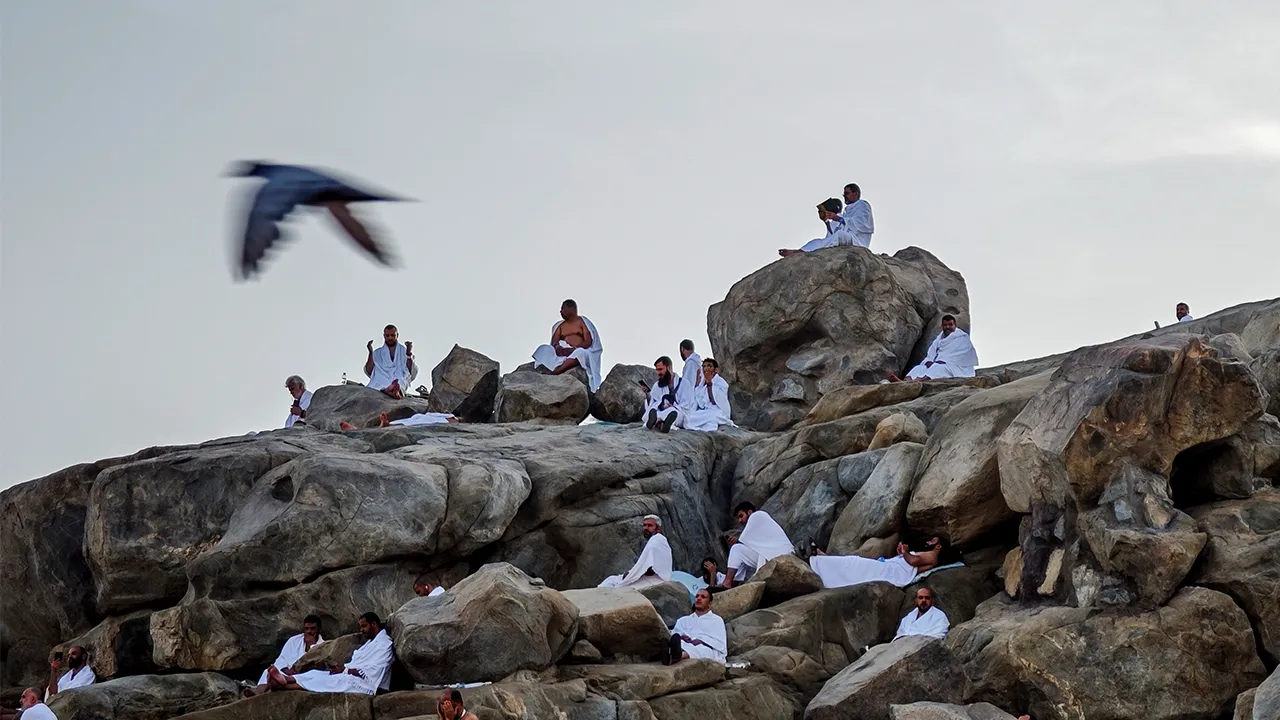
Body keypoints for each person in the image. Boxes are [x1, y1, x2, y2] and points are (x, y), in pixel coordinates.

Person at [265, 612, 393, 695]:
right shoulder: (371, 643)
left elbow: (374, 671)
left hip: (369, 686)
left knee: (330, 681)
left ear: (374, 624)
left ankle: (281, 686)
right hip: (354, 678)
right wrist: (342, 669)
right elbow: (358, 664)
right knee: (316, 673)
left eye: (364, 626)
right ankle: (285, 679)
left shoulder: (384, 644)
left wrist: (345, 671)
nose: (362, 630)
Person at [809, 538, 945, 589]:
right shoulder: (928, 554)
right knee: (853, 562)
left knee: (854, 564)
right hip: (890, 567)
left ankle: (820, 562)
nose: (930, 541)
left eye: (934, 540)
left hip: (891, 573)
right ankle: (821, 559)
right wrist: (901, 554)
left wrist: (905, 552)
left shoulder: (933, 555)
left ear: (939, 546)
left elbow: (913, 561)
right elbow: (910, 564)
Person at [532, 299, 605, 392]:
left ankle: (556, 372)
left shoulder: (582, 321)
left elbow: (588, 341)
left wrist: (573, 349)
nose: (560, 311)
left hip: (578, 351)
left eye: (563, 308)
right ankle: (555, 365)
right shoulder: (559, 326)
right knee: (544, 348)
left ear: (572, 308)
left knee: (580, 352)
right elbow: (555, 341)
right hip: (562, 353)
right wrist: (558, 347)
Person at [245, 615, 325, 697]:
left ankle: (276, 685)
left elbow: (317, 667)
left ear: (319, 629)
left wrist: (311, 645)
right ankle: (258, 692)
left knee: (313, 678)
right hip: (286, 673)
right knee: (267, 672)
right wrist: (286, 670)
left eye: (312, 628)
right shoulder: (294, 641)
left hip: (303, 676)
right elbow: (282, 659)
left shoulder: (323, 646)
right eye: (306, 628)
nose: (309, 631)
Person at [723, 502, 794, 588]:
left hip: (778, 555)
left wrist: (738, 542)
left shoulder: (757, 515)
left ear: (749, 512)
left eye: (741, 516)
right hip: (770, 555)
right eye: (738, 518)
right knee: (744, 563)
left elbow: (743, 540)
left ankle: (727, 582)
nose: (740, 520)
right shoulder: (757, 527)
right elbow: (751, 545)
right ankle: (734, 584)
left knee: (736, 549)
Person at [598, 515, 673, 589]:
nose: (646, 528)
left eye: (650, 525)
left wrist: (631, 575)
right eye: (644, 525)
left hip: (654, 580)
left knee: (612, 584)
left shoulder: (656, 541)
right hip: (655, 578)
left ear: (658, 529)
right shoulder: (659, 540)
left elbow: (650, 569)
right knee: (612, 580)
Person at [895, 315, 978, 381]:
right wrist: (929, 361)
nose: (948, 327)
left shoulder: (962, 337)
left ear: (955, 325)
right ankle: (905, 381)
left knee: (938, 368)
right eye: (945, 325)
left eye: (950, 325)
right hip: (937, 363)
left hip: (956, 367)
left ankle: (919, 380)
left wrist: (944, 361)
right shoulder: (939, 338)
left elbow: (962, 356)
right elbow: (931, 353)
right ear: (942, 326)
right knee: (918, 368)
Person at [663, 589, 727, 665]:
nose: (699, 598)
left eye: (703, 597)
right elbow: (675, 635)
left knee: (703, 650)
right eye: (697, 596)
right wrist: (687, 639)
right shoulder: (683, 620)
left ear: (709, 604)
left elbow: (720, 645)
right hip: (685, 644)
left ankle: (678, 656)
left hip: (704, 647)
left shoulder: (717, 620)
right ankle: (671, 654)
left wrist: (699, 640)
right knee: (680, 643)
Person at [779, 198, 853, 257]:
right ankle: (799, 252)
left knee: (818, 242)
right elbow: (830, 237)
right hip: (838, 243)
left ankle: (797, 252)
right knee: (817, 242)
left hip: (847, 241)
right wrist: (826, 222)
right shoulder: (833, 222)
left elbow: (835, 237)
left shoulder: (841, 218)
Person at [640, 356, 693, 433]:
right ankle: (661, 423)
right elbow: (652, 403)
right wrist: (648, 393)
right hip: (661, 411)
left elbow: (687, 406)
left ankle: (657, 422)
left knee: (672, 412)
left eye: (660, 369)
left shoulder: (685, 383)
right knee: (654, 410)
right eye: (657, 370)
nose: (658, 373)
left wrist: (673, 406)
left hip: (678, 413)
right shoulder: (657, 385)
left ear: (669, 368)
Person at [364, 325, 418, 399]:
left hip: (398, 379)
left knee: (401, 380)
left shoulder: (403, 350)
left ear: (397, 335)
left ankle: (395, 390)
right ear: (384, 336)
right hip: (382, 379)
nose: (390, 338)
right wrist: (370, 353)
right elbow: (370, 371)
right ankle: (388, 389)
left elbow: (410, 371)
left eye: (393, 335)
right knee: (379, 381)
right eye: (387, 335)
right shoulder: (377, 352)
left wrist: (408, 354)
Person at [685, 358, 734, 432]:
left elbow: (715, 401)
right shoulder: (702, 383)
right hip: (704, 411)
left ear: (716, 370)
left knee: (711, 416)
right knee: (689, 416)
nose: (706, 368)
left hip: (718, 412)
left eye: (709, 366)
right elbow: (698, 401)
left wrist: (709, 383)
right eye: (704, 366)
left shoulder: (721, 382)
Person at [839, 183, 874, 248]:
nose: (844, 196)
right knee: (818, 241)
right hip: (848, 238)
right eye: (844, 194)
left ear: (856, 194)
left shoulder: (862, 205)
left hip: (858, 241)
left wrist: (839, 219)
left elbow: (859, 223)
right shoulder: (847, 211)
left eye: (847, 193)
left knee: (839, 235)